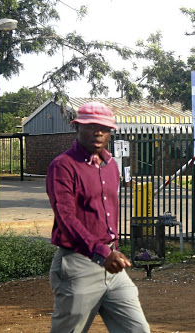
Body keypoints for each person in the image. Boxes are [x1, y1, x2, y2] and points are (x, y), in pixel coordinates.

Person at [46, 101, 150, 333]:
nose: (98, 132)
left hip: (112, 266)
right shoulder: (63, 166)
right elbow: (66, 218)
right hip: (78, 265)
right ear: (77, 128)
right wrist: (102, 252)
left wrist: (110, 249)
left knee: (137, 330)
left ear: (111, 132)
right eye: (91, 126)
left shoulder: (111, 165)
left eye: (104, 128)